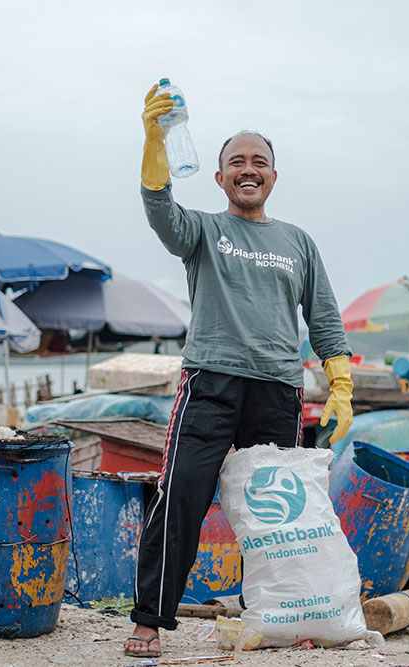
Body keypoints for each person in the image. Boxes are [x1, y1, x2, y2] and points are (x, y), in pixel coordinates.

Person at [123, 83, 354, 658]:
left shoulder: (297, 241)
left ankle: (277, 616)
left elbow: (323, 318)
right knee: (180, 498)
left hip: (278, 389)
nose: (248, 170)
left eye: (259, 162)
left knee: (277, 514)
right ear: (221, 177)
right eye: (236, 163)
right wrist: (155, 141)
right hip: (211, 382)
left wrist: (341, 385)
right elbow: (160, 212)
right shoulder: (203, 230)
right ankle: (150, 621)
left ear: (273, 175)